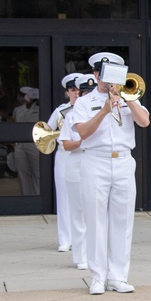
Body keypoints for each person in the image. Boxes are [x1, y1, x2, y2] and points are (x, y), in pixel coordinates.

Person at [68, 52, 150, 295]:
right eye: (104, 75)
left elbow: (145, 122)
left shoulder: (129, 94)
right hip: (95, 161)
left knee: (123, 221)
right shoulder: (84, 101)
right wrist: (104, 110)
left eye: (113, 74)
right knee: (95, 220)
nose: (108, 80)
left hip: (124, 161)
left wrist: (129, 98)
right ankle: (97, 276)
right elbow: (82, 132)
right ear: (95, 75)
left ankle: (118, 276)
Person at [59, 73, 96, 271]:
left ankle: (95, 253)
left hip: (95, 162)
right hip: (76, 163)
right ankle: (80, 255)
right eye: (84, 92)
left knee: (96, 211)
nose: (88, 95)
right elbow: (66, 144)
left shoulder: (100, 112)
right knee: (77, 212)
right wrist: (82, 141)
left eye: (91, 92)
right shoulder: (71, 114)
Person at [48, 73, 81, 253]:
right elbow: (47, 131)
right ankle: (65, 239)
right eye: (72, 90)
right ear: (67, 92)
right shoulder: (61, 111)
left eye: (78, 89)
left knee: (83, 197)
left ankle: (80, 238)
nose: (76, 93)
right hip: (64, 155)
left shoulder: (88, 108)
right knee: (64, 197)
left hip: (84, 154)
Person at [12, 86, 40, 195]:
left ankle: (38, 196)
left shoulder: (39, 110)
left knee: (37, 172)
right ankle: (26, 197)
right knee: (23, 173)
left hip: (34, 144)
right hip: (20, 144)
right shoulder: (17, 110)